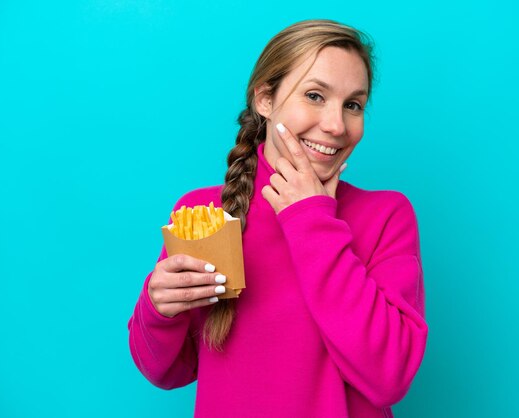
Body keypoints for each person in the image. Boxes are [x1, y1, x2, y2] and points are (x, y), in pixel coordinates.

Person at [128, 19, 428, 418]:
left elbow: (389, 375)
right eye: (315, 95)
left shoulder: (387, 216)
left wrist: (310, 219)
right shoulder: (203, 213)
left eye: (353, 105)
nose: (337, 125)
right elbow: (167, 370)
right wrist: (158, 309)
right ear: (265, 99)